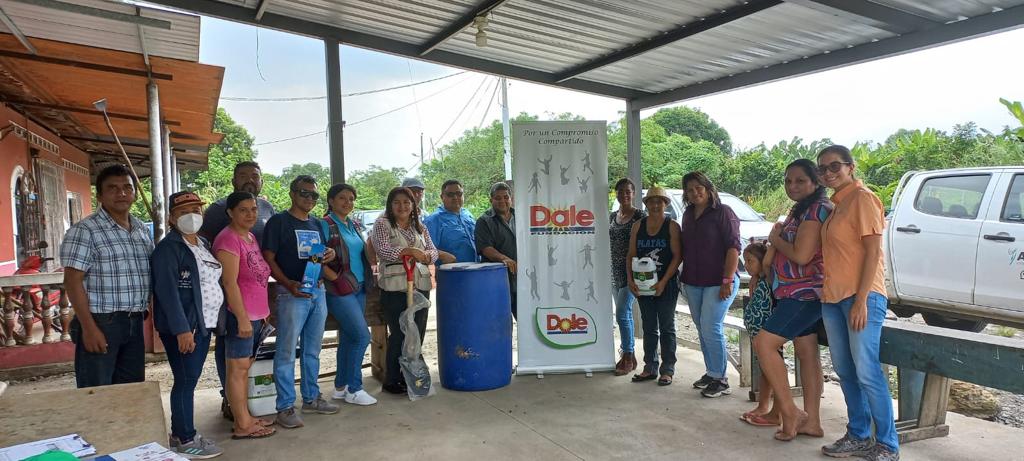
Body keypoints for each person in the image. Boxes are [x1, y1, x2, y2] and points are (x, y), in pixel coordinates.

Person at [816, 145, 898, 461]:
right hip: (833, 298)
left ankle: (887, 444)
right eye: (822, 168)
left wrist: (861, 300)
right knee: (845, 370)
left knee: (867, 371)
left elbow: (873, 252)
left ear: (850, 167)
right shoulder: (838, 205)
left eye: (834, 166)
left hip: (860, 296)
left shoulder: (863, 199)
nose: (828, 173)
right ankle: (859, 435)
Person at [754, 158, 832, 441]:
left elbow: (802, 255)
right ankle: (813, 422)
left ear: (816, 182)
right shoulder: (801, 209)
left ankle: (790, 411)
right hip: (794, 291)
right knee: (806, 352)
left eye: (800, 180)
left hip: (804, 293)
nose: (792, 186)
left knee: (764, 343)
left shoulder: (816, 209)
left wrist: (775, 240)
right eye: (788, 181)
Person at [61, 165, 153, 388]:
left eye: (127, 188)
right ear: (100, 195)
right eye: (112, 188)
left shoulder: (140, 229)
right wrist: (89, 328)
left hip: (134, 321)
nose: (121, 193)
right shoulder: (85, 230)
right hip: (101, 322)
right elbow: (72, 282)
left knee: (131, 390)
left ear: (134, 193)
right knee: (97, 391)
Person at [198, 160, 276, 421]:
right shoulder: (218, 212)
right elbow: (207, 248)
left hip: (256, 295)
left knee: (246, 358)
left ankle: (244, 403)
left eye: (255, 176)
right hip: (232, 296)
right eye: (243, 175)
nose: (249, 179)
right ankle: (231, 402)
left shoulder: (266, 208)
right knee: (231, 355)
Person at [151, 191, 225, 458]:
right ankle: (184, 439)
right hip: (186, 328)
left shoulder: (202, 243)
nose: (191, 216)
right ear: (172, 218)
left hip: (203, 324)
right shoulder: (168, 249)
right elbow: (167, 293)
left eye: (196, 210)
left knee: (189, 379)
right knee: (185, 380)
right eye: (183, 212)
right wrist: (182, 330)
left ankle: (182, 433)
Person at [262, 175, 339, 428]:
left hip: (317, 290)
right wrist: (287, 284)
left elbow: (319, 256)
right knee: (286, 351)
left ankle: (311, 398)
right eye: (304, 193)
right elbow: (269, 258)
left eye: (314, 195)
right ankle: (285, 407)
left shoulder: (316, 223)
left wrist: (329, 254)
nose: (309, 198)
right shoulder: (278, 222)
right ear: (292, 194)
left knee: (312, 350)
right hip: (291, 294)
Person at [213, 192, 276, 440]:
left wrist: (263, 313)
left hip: (255, 315)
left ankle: (246, 417)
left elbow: (256, 278)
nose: (250, 214)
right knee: (237, 369)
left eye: (253, 209)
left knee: (243, 367)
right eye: (243, 210)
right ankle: (242, 424)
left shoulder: (249, 237)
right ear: (230, 212)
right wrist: (241, 318)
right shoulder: (228, 240)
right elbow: (229, 283)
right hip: (239, 315)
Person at [679, 171, 741, 398]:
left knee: (711, 327)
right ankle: (712, 372)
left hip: (719, 280)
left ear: (708, 188)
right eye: (690, 189)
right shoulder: (688, 214)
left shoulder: (724, 212)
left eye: (699, 187)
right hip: (693, 281)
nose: (695, 192)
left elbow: (734, 248)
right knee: (702, 328)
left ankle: (721, 379)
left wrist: (727, 280)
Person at [373, 187, 439, 394]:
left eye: (406, 202)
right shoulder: (382, 224)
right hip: (395, 287)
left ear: (413, 205)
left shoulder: (420, 226)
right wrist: (408, 251)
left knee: (417, 331)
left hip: (420, 285)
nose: (402, 206)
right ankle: (392, 379)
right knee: (400, 332)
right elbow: (382, 250)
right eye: (397, 202)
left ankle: (411, 377)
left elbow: (433, 251)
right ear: (390, 205)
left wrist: (426, 256)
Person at [320, 183, 377, 406]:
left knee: (349, 337)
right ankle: (355, 388)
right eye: (342, 198)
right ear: (331, 201)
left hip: (359, 287)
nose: (348, 202)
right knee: (362, 336)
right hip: (338, 290)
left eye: (351, 199)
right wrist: (335, 279)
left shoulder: (352, 224)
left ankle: (341, 387)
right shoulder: (325, 224)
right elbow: (315, 257)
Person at [626, 187, 682, 386]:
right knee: (649, 326)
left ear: (665, 204)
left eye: (659, 201)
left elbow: (677, 256)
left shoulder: (672, 226)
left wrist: (663, 281)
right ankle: (650, 366)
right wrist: (630, 280)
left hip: (667, 284)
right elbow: (631, 255)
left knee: (666, 327)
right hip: (643, 284)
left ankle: (667, 369)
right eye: (651, 201)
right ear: (646, 204)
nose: (655, 205)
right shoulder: (638, 226)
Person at [609, 178, 646, 376]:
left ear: (633, 194)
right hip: (614, 272)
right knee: (625, 314)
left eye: (628, 191)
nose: (624, 194)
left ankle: (628, 356)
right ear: (616, 193)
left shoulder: (640, 215)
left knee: (622, 313)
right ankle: (629, 354)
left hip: (633, 272)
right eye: (620, 191)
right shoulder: (612, 216)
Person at [740, 242, 777, 427]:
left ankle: (770, 408)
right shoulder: (756, 279)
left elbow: (769, 258)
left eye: (750, 261)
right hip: (756, 333)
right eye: (745, 261)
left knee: (772, 371)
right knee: (765, 370)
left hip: (769, 333)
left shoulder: (768, 278)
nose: (746, 265)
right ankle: (763, 405)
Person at [475, 182, 517, 319]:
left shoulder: (522, 216)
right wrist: (504, 258)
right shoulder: (484, 221)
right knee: (501, 320)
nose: (502, 201)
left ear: (511, 198)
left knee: (525, 319)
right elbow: (485, 248)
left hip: (522, 278)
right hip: (497, 279)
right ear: (491, 200)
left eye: (506, 197)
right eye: (497, 198)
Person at [424, 179, 475, 264]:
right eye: (450, 195)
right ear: (442, 197)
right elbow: (425, 249)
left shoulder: (468, 214)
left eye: (459, 194)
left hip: (476, 268)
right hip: (450, 270)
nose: (455, 197)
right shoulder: (433, 220)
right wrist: (442, 255)